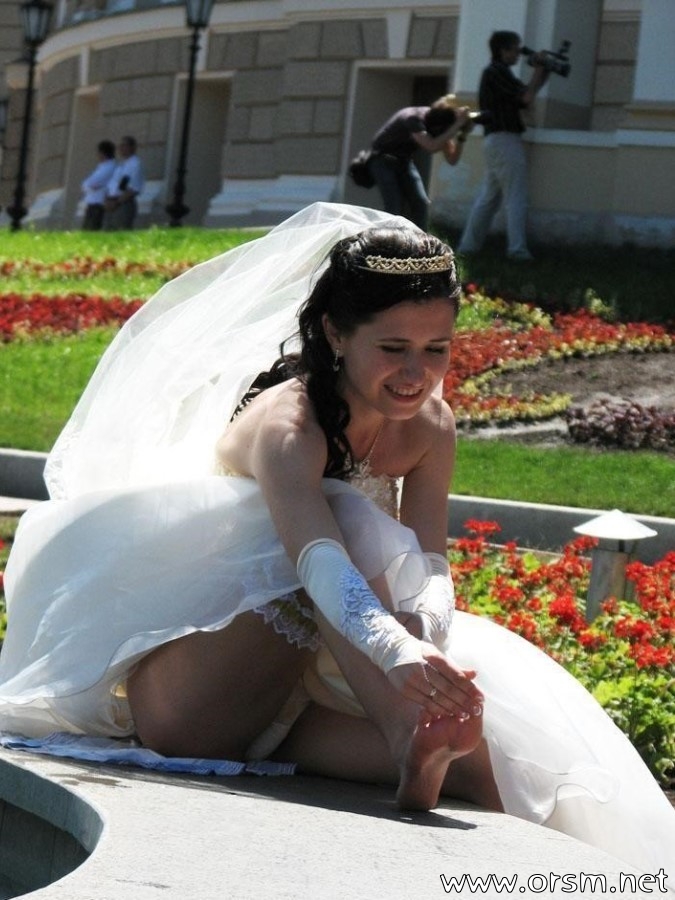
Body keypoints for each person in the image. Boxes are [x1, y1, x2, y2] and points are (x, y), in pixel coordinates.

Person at [0, 203, 673, 887]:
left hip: (301, 708)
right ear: (333, 333)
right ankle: (402, 727)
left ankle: (446, 784)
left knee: (499, 761)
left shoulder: (431, 426)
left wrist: (430, 641)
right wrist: (398, 651)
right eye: (392, 348)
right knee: (345, 516)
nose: (416, 372)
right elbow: (318, 560)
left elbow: (430, 563)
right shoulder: (289, 427)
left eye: (435, 350)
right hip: (199, 697)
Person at [458, 31, 548, 262]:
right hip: (504, 139)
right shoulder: (496, 72)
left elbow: (527, 93)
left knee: (489, 197)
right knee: (516, 196)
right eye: (515, 49)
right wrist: (539, 68)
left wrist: (544, 70)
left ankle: (468, 247)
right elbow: (526, 98)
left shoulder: (499, 72)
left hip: (497, 140)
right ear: (503, 50)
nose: (519, 54)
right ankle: (517, 250)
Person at [368, 95, 472, 230]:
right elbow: (431, 146)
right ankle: (387, 241)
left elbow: (452, 159)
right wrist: (457, 124)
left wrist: (462, 135)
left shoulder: (442, 124)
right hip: (382, 159)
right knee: (394, 205)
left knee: (421, 203)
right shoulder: (414, 118)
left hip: (404, 161)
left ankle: (421, 244)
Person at [104, 135, 145, 230]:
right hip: (111, 204)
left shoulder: (135, 164)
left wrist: (116, 202)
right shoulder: (121, 165)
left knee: (120, 234)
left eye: (124, 145)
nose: (121, 148)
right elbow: (115, 185)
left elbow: (133, 188)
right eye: (120, 146)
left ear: (133, 147)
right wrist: (107, 200)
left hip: (123, 204)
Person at [80, 140, 116, 231]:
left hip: (98, 204)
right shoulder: (101, 167)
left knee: (92, 230)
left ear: (102, 153)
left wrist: (88, 186)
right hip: (92, 203)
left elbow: (93, 183)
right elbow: (85, 184)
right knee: (86, 231)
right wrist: (88, 186)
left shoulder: (109, 167)